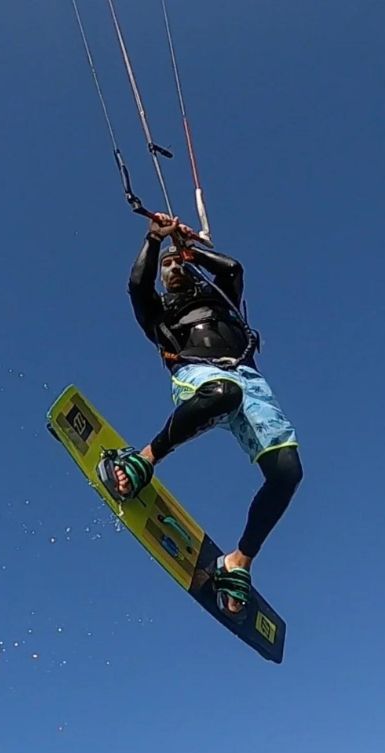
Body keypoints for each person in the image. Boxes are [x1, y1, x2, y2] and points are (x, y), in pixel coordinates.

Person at [97, 213, 303, 617]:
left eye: (179, 262)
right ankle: (144, 459)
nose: (173, 268)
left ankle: (238, 561)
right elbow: (136, 284)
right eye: (167, 266)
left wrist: (194, 251)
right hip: (199, 372)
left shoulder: (222, 296)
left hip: (248, 377)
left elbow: (233, 268)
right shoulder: (158, 311)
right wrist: (155, 240)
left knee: (288, 472)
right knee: (223, 393)